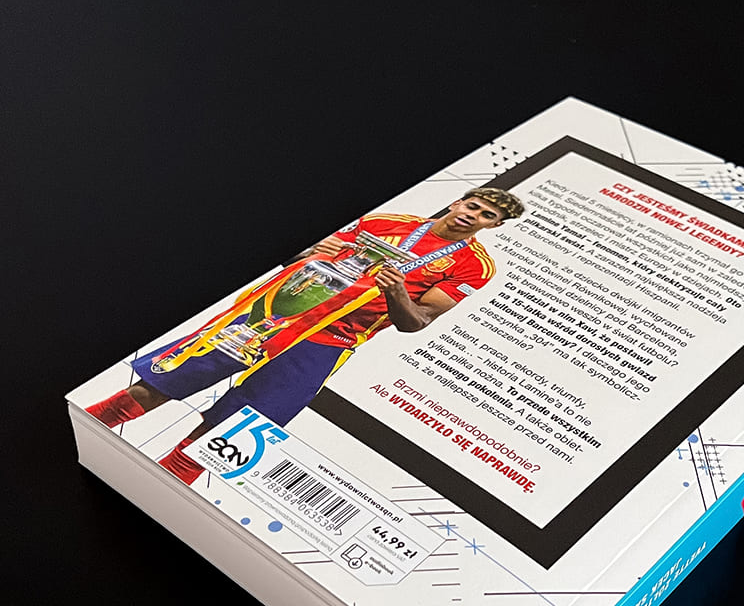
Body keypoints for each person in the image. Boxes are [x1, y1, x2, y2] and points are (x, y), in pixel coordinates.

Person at [86, 186, 524, 484]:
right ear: (457, 202)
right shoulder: (384, 221)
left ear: (494, 226)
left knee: (241, 419)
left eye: (487, 215)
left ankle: (167, 479)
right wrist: (313, 249)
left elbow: (417, 322)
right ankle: (91, 423)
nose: (473, 216)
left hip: (329, 341)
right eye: (472, 205)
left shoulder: (474, 266)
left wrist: (396, 292)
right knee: (167, 380)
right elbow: (297, 255)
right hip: (273, 315)